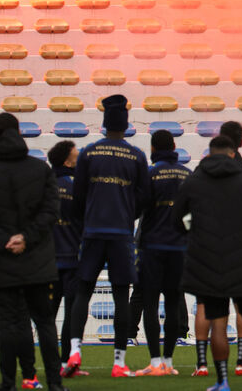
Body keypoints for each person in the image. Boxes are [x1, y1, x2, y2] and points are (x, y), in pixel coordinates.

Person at [174, 135, 242, 391]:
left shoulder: (194, 181)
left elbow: (177, 219)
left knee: (217, 322)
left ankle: (222, 381)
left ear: (209, 154)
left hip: (208, 261)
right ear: (233, 154)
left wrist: (197, 234)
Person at [64, 94, 149, 378]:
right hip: (121, 233)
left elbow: (77, 198)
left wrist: (89, 217)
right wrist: (127, 214)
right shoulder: (136, 155)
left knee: (83, 291)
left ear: (103, 125)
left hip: (92, 231)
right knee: (121, 295)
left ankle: (74, 352)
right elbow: (143, 198)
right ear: (125, 126)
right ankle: (119, 362)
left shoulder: (88, 152)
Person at [0, 115, 68, 391]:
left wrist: (8, 240)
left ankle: (8, 382)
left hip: (3, 260)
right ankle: (54, 382)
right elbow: (51, 211)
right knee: (44, 323)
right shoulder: (40, 169)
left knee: (8, 324)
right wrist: (25, 238)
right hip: (37, 260)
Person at [190, 121, 242, 377]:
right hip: (240, 246)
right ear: (240, 143)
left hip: (207, 246)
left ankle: (202, 364)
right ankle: (241, 362)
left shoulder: (201, 171)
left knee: (205, 306)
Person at [134, 130, 191, 377]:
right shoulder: (188, 175)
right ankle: (169, 361)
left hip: (153, 247)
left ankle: (155, 361)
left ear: (153, 148)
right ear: (175, 145)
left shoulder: (150, 174)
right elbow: (194, 214)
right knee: (173, 303)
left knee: (150, 303)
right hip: (180, 248)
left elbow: (138, 209)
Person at [47, 140, 85, 379]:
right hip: (73, 257)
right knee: (72, 313)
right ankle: (66, 362)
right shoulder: (77, 186)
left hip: (48, 260)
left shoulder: (46, 184)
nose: (79, 155)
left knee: (47, 316)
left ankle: (53, 365)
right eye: (76, 153)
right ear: (66, 160)